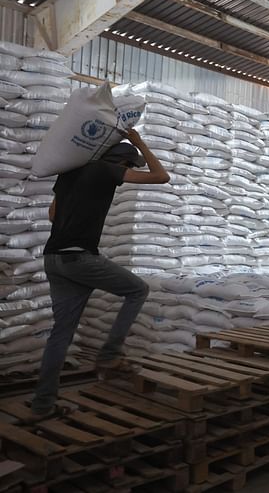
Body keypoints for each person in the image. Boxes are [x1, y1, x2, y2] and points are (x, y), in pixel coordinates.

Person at [30, 129, 169, 421]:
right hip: (78, 257)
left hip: (53, 259)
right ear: (120, 162)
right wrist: (140, 143)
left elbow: (52, 215)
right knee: (137, 290)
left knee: (61, 334)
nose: (127, 175)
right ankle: (110, 355)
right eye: (128, 168)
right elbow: (161, 176)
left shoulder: (69, 174)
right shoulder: (106, 170)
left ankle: (43, 405)